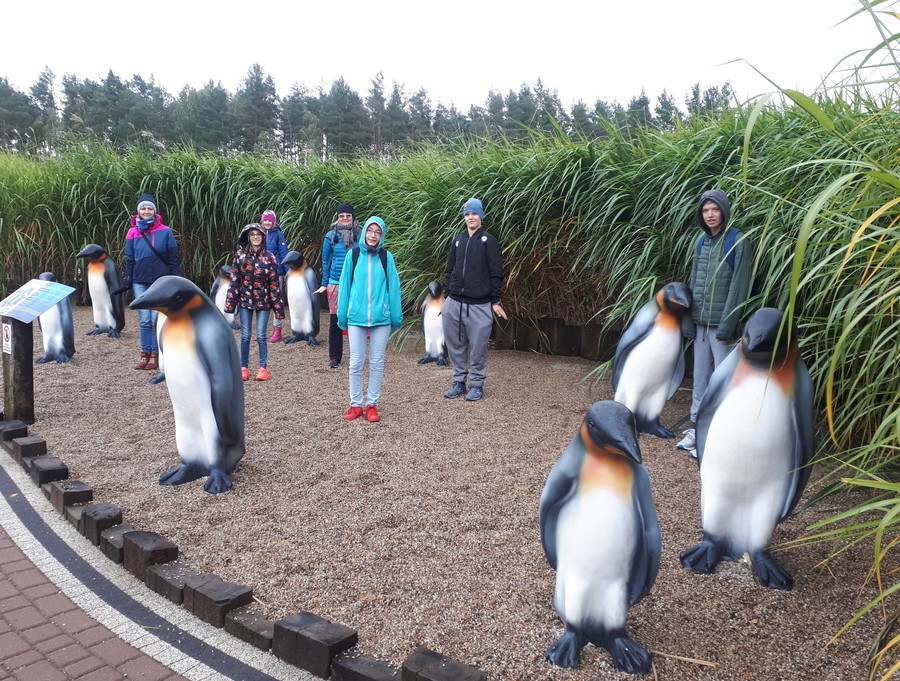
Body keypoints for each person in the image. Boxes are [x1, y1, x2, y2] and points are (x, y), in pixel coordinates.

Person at [677, 188, 752, 457]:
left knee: (722, 381)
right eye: (705, 210)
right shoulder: (701, 242)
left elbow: (739, 286)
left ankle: (718, 434)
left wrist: (728, 326)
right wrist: (688, 321)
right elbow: (694, 284)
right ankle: (697, 429)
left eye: (714, 209)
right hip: (700, 324)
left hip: (722, 327)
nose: (710, 215)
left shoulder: (737, 240)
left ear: (724, 211)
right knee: (699, 379)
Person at [336, 216, 402, 422]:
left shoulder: (386, 257)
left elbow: (394, 287)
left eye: (378, 232)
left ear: (381, 235)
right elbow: (344, 285)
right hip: (356, 316)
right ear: (364, 231)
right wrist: (342, 315)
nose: (373, 235)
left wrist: (396, 316)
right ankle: (355, 404)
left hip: (381, 318)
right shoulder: (353, 255)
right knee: (356, 362)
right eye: (370, 231)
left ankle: (371, 404)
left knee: (376, 362)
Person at [441, 198, 507, 402]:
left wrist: (495, 300)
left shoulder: (489, 241)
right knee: (455, 345)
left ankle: (477, 385)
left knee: (478, 347)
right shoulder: (458, 240)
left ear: (481, 216)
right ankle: (458, 382)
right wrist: (446, 296)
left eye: (474, 213)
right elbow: (449, 269)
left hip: (479, 305)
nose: (471, 217)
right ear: (464, 216)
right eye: (467, 214)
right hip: (454, 303)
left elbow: (496, 273)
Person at [122, 193, 181, 370]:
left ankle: (156, 355)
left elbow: (173, 257)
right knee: (145, 319)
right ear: (138, 211)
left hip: (160, 281)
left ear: (154, 211)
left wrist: (175, 279)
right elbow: (129, 258)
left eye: (149, 208)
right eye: (143, 208)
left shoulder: (166, 231)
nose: (146, 211)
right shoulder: (133, 232)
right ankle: (144, 353)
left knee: (156, 318)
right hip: (140, 280)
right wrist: (128, 278)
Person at [224, 223, 285, 382]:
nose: (256, 237)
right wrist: (230, 304)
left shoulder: (270, 257)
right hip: (245, 301)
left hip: (263, 302)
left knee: (261, 336)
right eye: (252, 234)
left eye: (258, 234)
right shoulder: (240, 256)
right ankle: (243, 367)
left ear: (263, 237)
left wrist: (278, 308)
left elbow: (274, 284)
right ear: (248, 237)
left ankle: (263, 368)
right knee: (245, 335)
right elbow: (234, 281)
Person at [315, 203, 361, 368]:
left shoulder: (360, 235)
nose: (345, 218)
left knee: (356, 319)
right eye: (341, 216)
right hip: (335, 282)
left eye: (348, 215)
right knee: (335, 320)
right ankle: (335, 357)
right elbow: (325, 260)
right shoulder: (330, 236)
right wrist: (324, 283)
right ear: (337, 218)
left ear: (353, 217)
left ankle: (356, 356)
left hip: (356, 282)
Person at [260, 209, 290, 342]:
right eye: (265, 220)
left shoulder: (278, 235)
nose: (267, 222)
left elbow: (284, 254)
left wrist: (287, 271)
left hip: (276, 273)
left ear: (274, 221)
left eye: (269, 220)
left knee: (276, 302)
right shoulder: (258, 234)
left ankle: (277, 330)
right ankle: (261, 331)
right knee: (262, 302)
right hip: (260, 274)